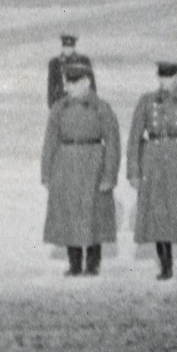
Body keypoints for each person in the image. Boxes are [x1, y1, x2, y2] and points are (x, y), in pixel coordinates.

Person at [128, 61, 177, 280]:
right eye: (161, 78)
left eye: (169, 77)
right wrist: (134, 171)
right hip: (153, 162)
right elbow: (134, 137)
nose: (164, 82)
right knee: (158, 213)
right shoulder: (146, 101)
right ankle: (166, 267)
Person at [41, 63, 121, 275]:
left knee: (95, 213)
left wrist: (109, 175)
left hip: (94, 163)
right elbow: (49, 142)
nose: (70, 86)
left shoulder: (101, 108)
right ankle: (74, 263)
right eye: (68, 82)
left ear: (86, 82)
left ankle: (93, 263)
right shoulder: (59, 109)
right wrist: (47, 174)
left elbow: (113, 143)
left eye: (75, 82)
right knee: (69, 213)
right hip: (66, 164)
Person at [46, 33, 96, 108]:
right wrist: (52, 105)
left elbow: (91, 83)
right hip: (61, 102)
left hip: (81, 101)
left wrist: (92, 101)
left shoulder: (83, 61)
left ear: (74, 47)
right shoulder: (54, 63)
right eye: (66, 46)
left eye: (70, 46)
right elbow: (51, 86)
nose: (68, 49)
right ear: (62, 46)